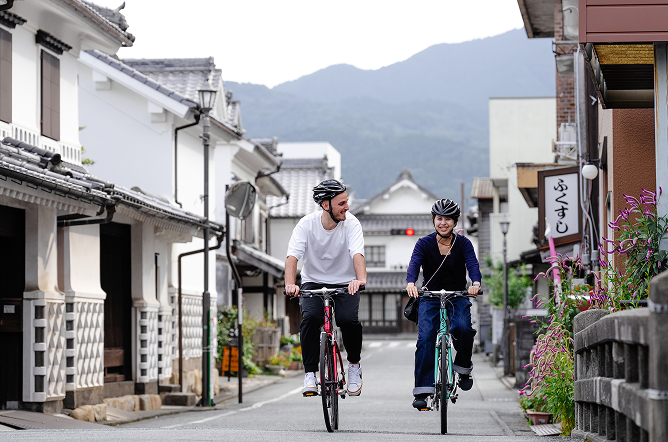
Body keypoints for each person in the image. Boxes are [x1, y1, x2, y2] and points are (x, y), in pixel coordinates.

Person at [284, 179, 367, 397]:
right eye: (341, 203)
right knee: (310, 318)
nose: (346, 207)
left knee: (348, 320)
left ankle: (354, 366)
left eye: (346, 202)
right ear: (325, 205)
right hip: (313, 282)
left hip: (346, 282)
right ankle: (310, 374)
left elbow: (357, 253)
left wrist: (360, 279)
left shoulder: (352, 223)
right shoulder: (306, 224)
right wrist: (290, 283)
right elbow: (293, 256)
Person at [405, 198, 481, 410]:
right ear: (433, 220)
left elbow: (473, 265)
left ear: (455, 222)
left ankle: (463, 368)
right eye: (439, 218)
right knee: (425, 338)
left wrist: (475, 283)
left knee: (463, 328)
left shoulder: (463, 243)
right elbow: (414, 265)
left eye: (448, 219)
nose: (443, 223)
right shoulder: (423, 243)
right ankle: (422, 390)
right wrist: (411, 283)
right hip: (430, 297)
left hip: (457, 295)